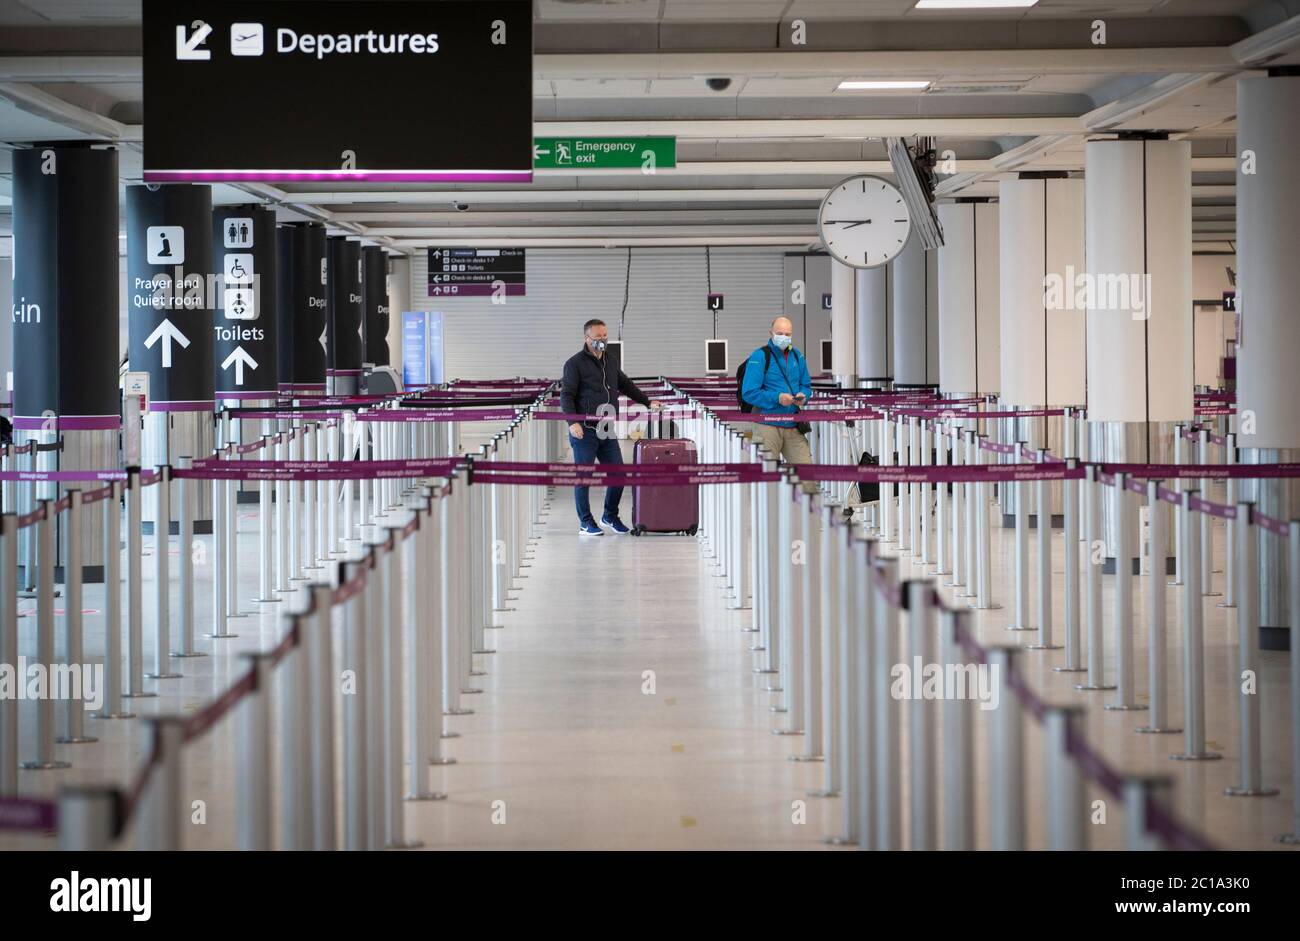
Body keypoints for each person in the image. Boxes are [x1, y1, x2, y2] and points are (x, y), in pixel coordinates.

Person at [561, 319, 661, 535]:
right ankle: (585, 522)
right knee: (583, 478)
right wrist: (573, 422)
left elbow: (626, 385)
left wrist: (647, 401)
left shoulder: (610, 360)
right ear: (587, 339)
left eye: (605, 336)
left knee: (619, 475)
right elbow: (566, 396)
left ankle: (609, 515)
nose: (602, 340)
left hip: (606, 428)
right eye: (598, 337)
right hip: (584, 430)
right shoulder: (574, 364)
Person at [740, 317, 817, 493]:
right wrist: (777, 398)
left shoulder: (798, 356)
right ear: (771, 333)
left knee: (807, 478)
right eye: (780, 333)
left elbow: (806, 385)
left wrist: (803, 396)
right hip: (767, 426)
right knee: (767, 482)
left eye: (787, 334)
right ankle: (767, 518)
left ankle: (805, 518)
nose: (784, 337)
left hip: (792, 425)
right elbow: (749, 392)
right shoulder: (760, 356)